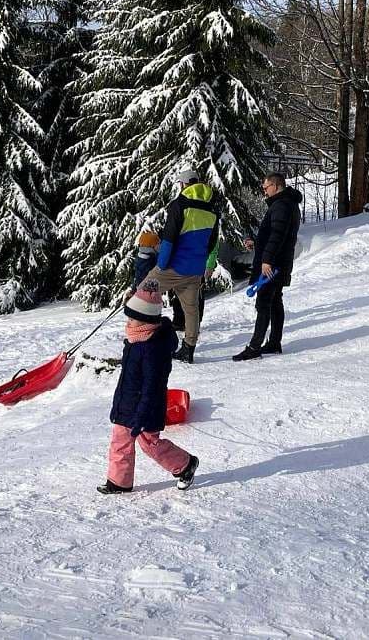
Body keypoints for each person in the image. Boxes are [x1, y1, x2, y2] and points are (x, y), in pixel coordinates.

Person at [98, 278, 199, 495]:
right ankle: (119, 482)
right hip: (128, 403)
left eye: (132, 319)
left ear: (146, 321)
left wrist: (142, 415)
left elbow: (153, 387)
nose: (128, 324)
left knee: (150, 444)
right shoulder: (137, 338)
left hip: (147, 407)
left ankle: (185, 464)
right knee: (120, 441)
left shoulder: (153, 349)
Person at [151, 169, 220, 364]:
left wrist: (161, 265)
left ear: (183, 185)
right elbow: (212, 242)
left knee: (143, 294)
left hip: (173, 266)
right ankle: (188, 349)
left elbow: (169, 238)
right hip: (195, 268)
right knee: (191, 310)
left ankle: (140, 339)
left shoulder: (179, 204)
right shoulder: (212, 209)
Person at [235, 173, 303, 362]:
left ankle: (254, 347)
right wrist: (258, 243)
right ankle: (274, 342)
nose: (264, 191)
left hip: (273, 264)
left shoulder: (281, 205)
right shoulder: (289, 204)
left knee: (264, 302)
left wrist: (267, 260)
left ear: (276, 185)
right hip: (280, 261)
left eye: (266, 188)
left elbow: (277, 235)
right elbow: (276, 235)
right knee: (275, 301)